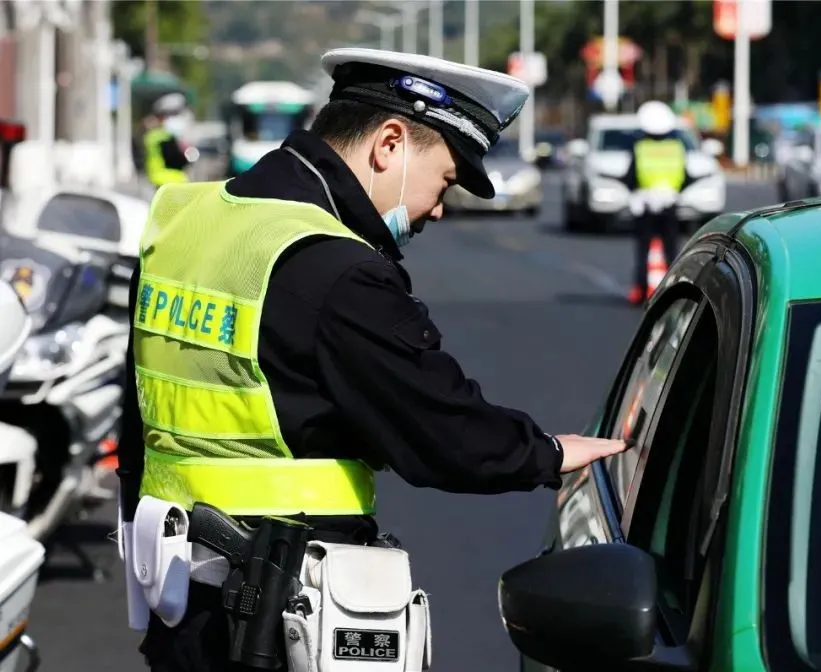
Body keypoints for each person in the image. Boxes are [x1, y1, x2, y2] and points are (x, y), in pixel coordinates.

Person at [116, 48, 627, 672]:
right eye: (444, 179)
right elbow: (441, 430)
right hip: (279, 619)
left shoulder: (183, 219)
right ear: (389, 143)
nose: (439, 208)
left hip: (179, 601)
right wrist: (548, 453)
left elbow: (137, 412)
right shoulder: (334, 268)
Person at [622, 100, 690, 306]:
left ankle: (640, 290)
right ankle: (675, 290)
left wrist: (634, 191)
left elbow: (630, 177)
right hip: (670, 203)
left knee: (643, 249)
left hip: (646, 205)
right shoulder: (677, 147)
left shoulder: (641, 147)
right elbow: (686, 176)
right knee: (671, 250)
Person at [142, 92, 191, 188]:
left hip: (162, 180)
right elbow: (178, 160)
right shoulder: (164, 137)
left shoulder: (153, 135)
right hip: (169, 181)